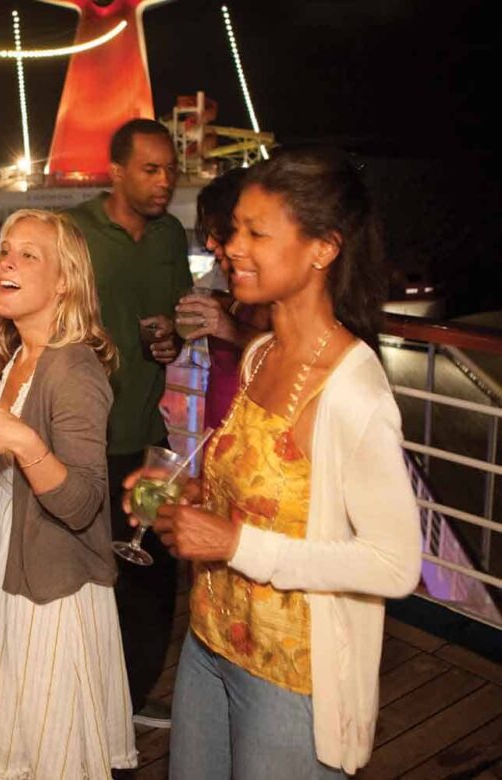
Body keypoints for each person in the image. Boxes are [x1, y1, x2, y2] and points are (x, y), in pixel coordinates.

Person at [129, 146, 422, 777]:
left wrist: (234, 542)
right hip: (210, 644)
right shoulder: (259, 355)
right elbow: (255, 493)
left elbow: (395, 564)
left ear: (322, 249)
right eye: (234, 229)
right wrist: (185, 496)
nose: (231, 247)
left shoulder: (352, 390)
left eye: (256, 232)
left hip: (292, 678)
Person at [0, 209, 136, 777]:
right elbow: (12, 439)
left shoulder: (74, 370)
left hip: (53, 571)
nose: (7, 264)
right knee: (24, 714)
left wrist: (19, 440)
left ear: (65, 280)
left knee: (54, 731)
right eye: (3, 252)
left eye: (29, 255)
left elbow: (81, 504)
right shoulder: (24, 353)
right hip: (16, 538)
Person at [65, 117, 191, 727]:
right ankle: (89, 701)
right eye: (151, 168)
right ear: (116, 172)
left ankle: (131, 699)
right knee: (92, 577)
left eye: (170, 169)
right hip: (84, 440)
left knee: (156, 572)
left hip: (147, 438)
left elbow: (177, 319)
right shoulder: (75, 232)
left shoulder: (170, 236)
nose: (165, 180)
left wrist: (174, 340)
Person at [176, 167, 271, 430]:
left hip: (251, 434)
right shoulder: (237, 292)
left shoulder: (276, 295)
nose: (207, 244)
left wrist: (231, 329)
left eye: (216, 230)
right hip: (219, 429)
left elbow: (291, 359)